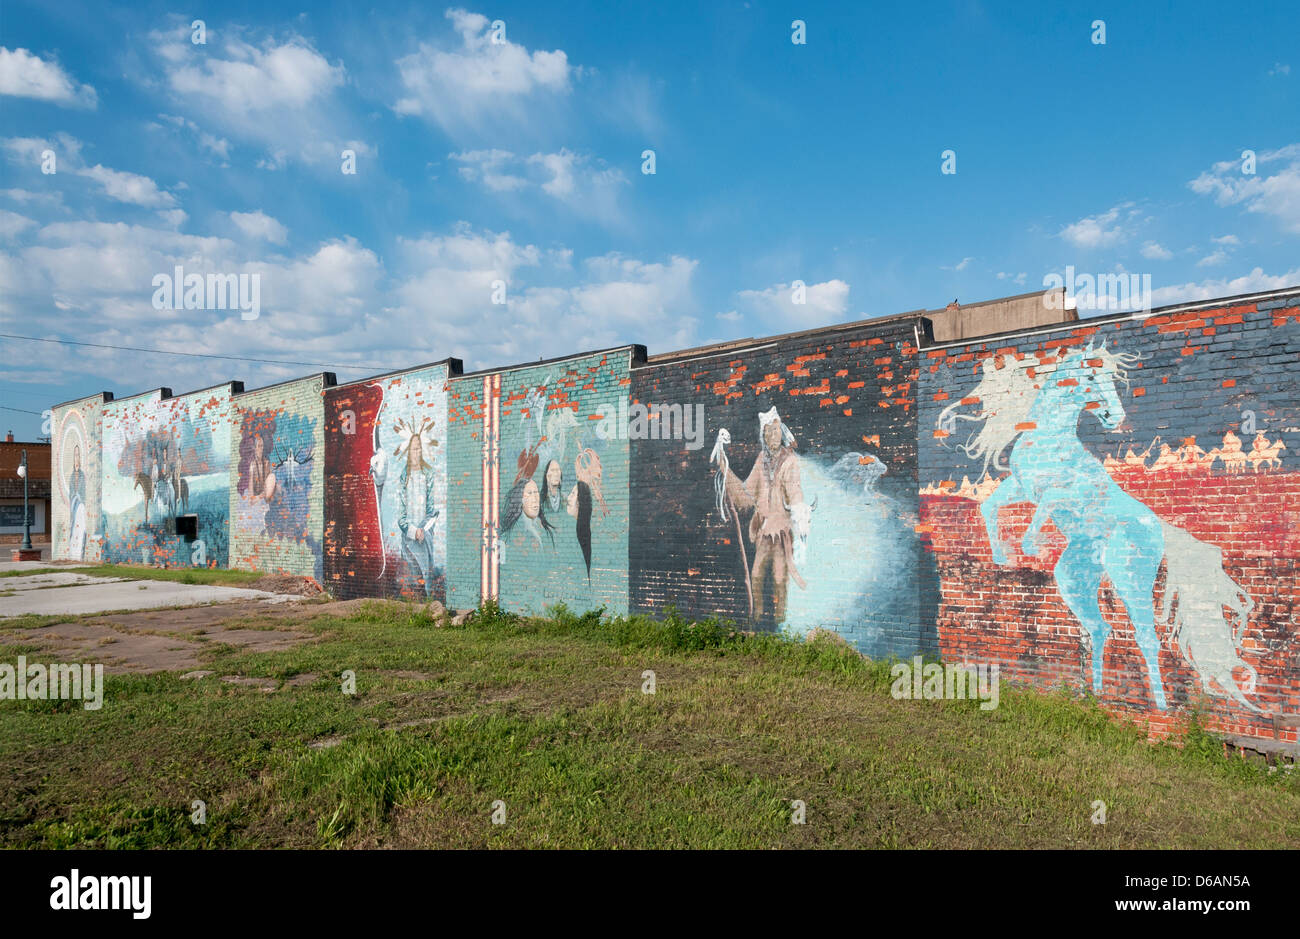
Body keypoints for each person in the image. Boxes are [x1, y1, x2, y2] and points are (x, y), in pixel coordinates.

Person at [710, 407, 811, 628]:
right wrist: (725, 468)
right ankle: (758, 618)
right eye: (768, 432)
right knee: (755, 576)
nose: (772, 436)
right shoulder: (761, 460)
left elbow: (795, 492)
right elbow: (747, 495)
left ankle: (780, 621)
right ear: (763, 435)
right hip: (765, 531)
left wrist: (800, 516)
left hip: (782, 533)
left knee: (778, 578)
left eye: (775, 431)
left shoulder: (790, 461)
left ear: (781, 432)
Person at [396, 421, 440, 596]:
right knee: (412, 579)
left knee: (425, 579)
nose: (417, 452)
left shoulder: (428, 474)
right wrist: (414, 531)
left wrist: (424, 530)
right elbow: (401, 514)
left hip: (425, 539)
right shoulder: (403, 476)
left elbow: (433, 510)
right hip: (409, 541)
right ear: (408, 451)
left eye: (419, 448)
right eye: (414, 449)